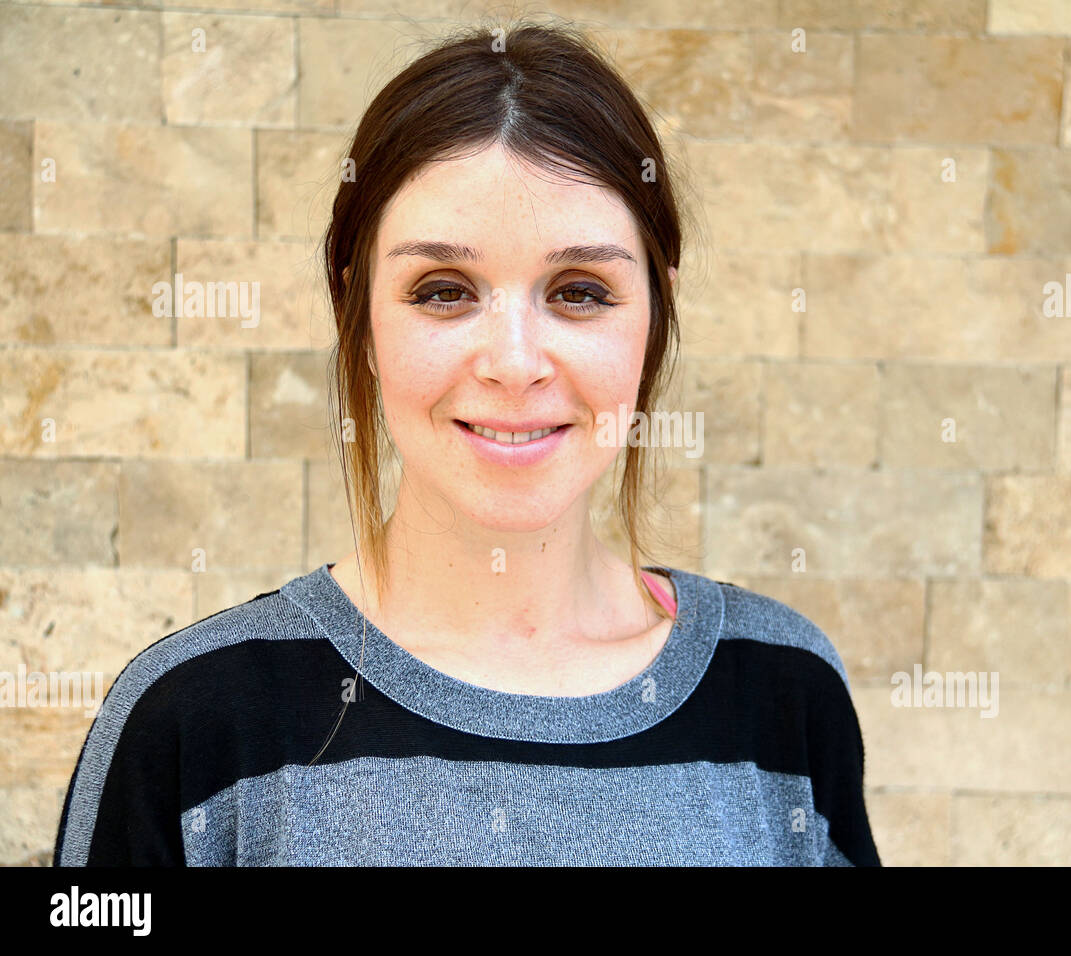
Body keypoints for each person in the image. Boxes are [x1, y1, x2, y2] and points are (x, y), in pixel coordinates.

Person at [53, 18, 882, 866]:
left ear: (656, 314)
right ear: (361, 316)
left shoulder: (785, 691)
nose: (515, 364)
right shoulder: (190, 722)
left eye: (581, 291)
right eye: (445, 291)